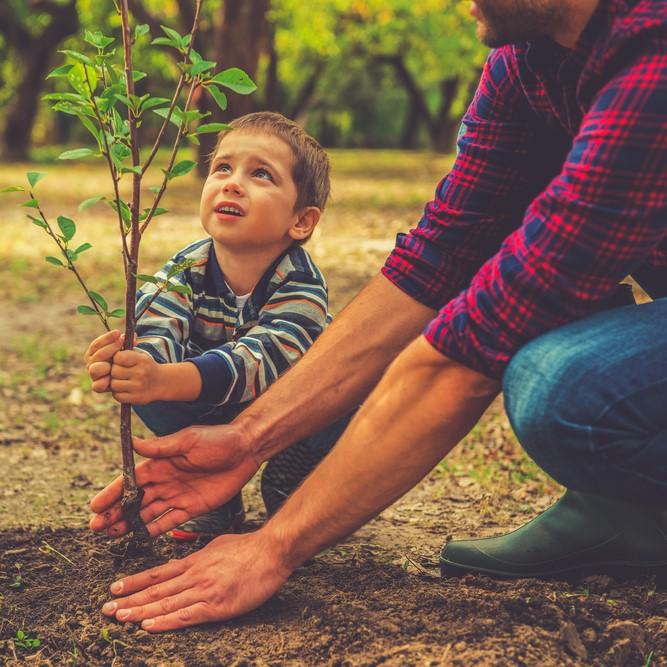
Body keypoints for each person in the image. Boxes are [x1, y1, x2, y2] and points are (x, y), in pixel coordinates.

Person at [90, 0, 667, 632]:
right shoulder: (521, 64)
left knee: (561, 387)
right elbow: (437, 260)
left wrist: (274, 545)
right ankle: (627, 506)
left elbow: (471, 351)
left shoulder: (653, 55)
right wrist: (246, 439)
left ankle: (634, 503)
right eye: (222, 168)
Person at [84, 111, 349, 540]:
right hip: (213, 402)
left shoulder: (301, 284)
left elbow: (261, 362)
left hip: (291, 409)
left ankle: (301, 475)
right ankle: (216, 495)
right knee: (150, 390)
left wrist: (168, 378)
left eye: (261, 174)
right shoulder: (187, 266)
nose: (232, 182)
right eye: (222, 168)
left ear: (301, 220)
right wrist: (133, 365)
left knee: (347, 396)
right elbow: (157, 324)